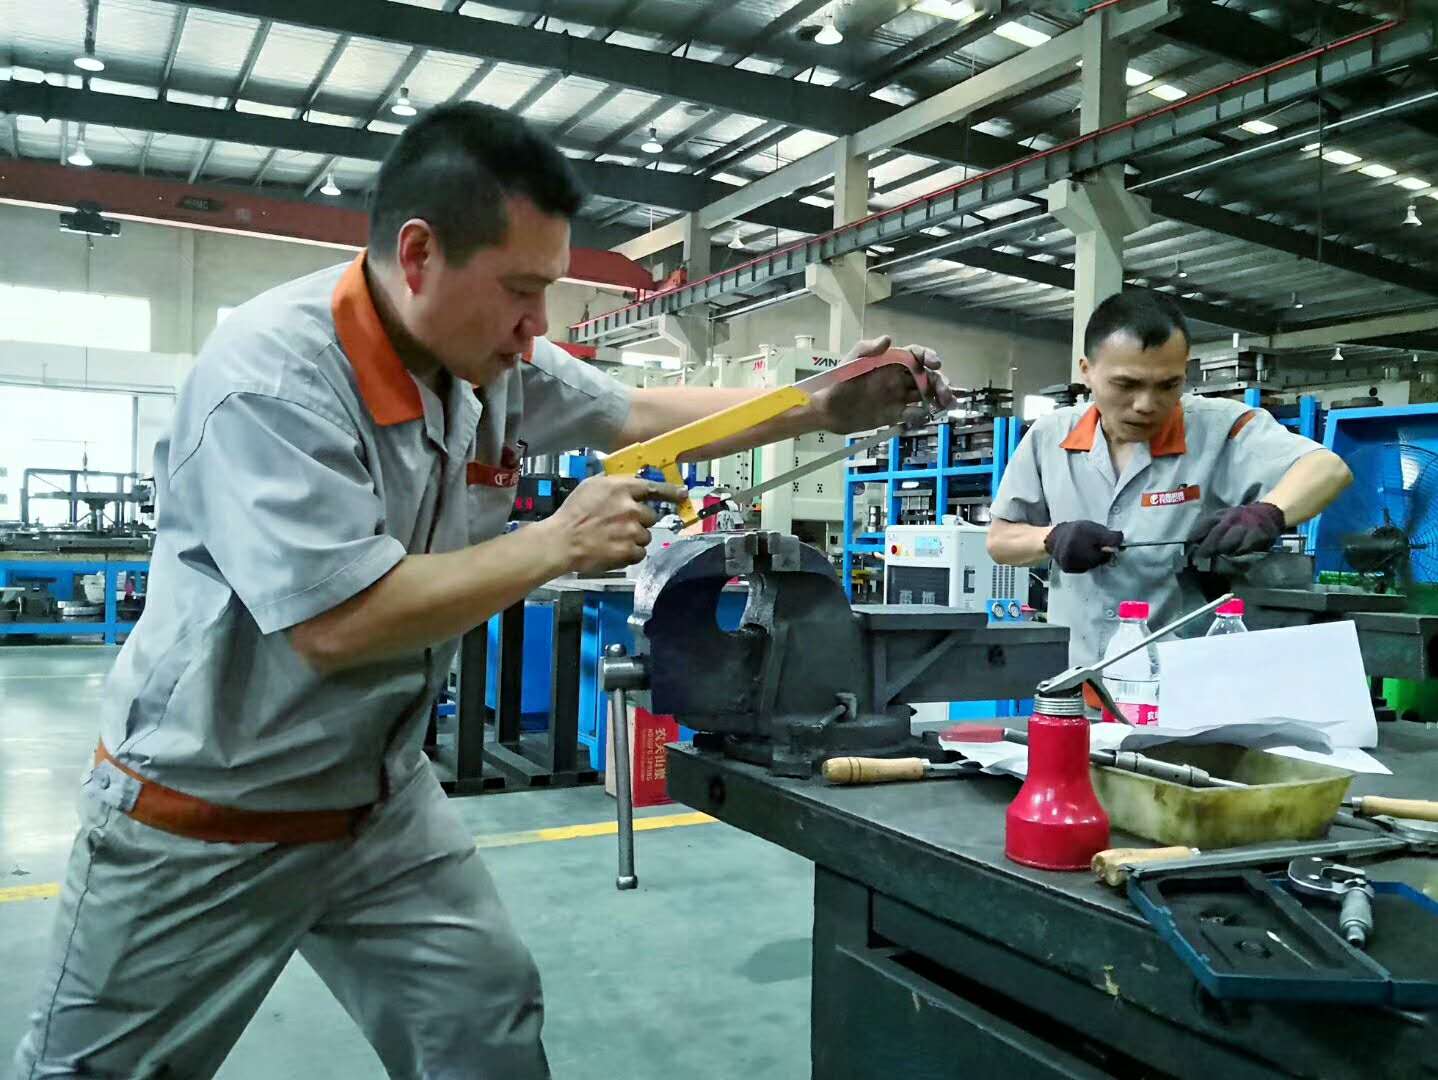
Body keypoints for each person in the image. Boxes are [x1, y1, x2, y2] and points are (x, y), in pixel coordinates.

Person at [12, 103, 954, 1080]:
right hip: (205, 811)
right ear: (418, 255)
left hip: (373, 799)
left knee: (482, 1026)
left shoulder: (486, 363)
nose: (537, 325)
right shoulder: (271, 379)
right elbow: (336, 622)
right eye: (520, 291)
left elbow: (636, 411)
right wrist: (556, 542)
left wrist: (817, 405)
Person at [988, 291, 1351, 667]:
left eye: (1168, 385)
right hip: (1076, 675)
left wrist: (1268, 512)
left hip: (1184, 677)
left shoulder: (1219, 429)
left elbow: (1327, 469)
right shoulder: (1049, 436)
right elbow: (1000, 540)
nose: (1146, 404)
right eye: (1126, 384)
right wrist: (1051, 538)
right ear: (1087, 370)